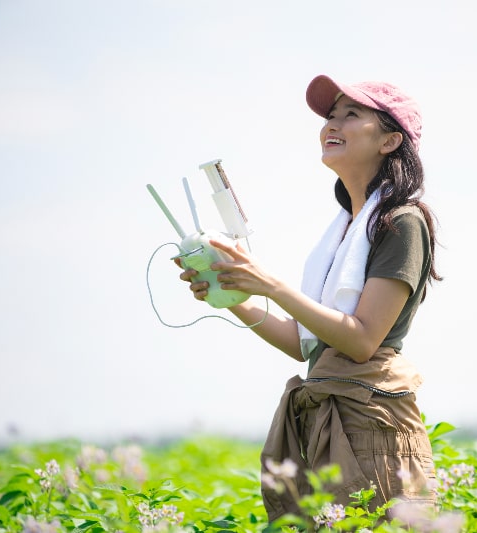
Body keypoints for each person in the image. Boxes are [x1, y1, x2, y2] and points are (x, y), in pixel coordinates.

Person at [178, 74, 442, 521]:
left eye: (351, 114)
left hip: (372, 422)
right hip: (331, 420)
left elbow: (361, 340)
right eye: (330, 115)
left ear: (390, 140)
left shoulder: (402, 222)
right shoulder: (343, 231)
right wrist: (231, 292)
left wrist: (268, 283)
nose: (331, 124)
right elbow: (304, 344)